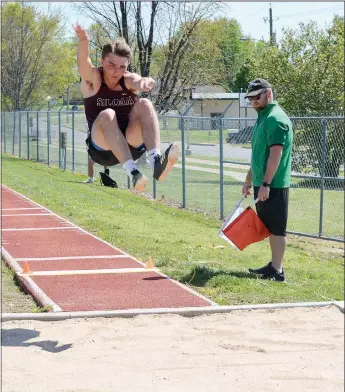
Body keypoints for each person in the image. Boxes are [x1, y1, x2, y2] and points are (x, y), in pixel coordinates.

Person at [73, 24, 179, 192]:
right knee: (108, 114)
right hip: (103, 150)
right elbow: (84, 65)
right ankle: (133, 173)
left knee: (145, 103)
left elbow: (137, 80)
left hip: (130, 146)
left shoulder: (127, 80)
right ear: (102, 62)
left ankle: (156, 163)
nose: (116, 72)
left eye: (122, 67)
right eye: (111, 65)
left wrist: (144, 82)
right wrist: (84, 41)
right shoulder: (94, 80)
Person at [242, 78, 293, 282]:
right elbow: (258, 155)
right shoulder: (263, 117)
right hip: (262, 183)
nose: (253, 101)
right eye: (251, 98)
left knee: (276, 228)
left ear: (268, 94)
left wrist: (265, 184)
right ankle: (273, 265)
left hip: (274, 184)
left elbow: (275, 155)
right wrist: (248, 181)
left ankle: (278, 271)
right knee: (269, 227)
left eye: (257, 96)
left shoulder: (275, 118)